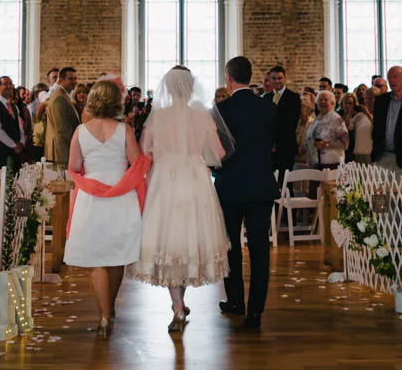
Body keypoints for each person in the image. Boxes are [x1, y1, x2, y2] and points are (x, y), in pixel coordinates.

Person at [129, 66, 231, 332]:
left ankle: (177, 306)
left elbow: (143, 153)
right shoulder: (201, 116)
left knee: (169, 240)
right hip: (195, 180)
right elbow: (219, 154)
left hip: (165, 180)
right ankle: (180, 303)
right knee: (188, 241)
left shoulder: (158, 116)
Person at [65, 80, 147, 339]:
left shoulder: (80, 130)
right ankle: (110, 310)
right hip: (121, 196)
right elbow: (137, 164)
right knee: (116, 256)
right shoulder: (125, 130)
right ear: (117, 101)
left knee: (96, 260)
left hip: (91, 198)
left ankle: (103, 316)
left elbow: (74, 165)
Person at [213, 56, 277, 330]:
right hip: (261, 185)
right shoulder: (268, 108)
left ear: (229, 77)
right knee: (260, 249)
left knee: (230, 247)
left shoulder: (220, 109)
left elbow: (216, 153)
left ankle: (236, 301)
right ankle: (255, 312)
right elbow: (277, 143)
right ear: (251, 77)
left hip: (230, 187)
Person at [263, 65, 302, 185]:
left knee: (285, 182)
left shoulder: (293, 97)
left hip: (285, 147)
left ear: (285, 78)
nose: (277, 81)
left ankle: (285, 204)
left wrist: (276, 141)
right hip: (269, 149)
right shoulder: (266, 97)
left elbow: (290, 123)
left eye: (279, 78)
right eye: (274, 78)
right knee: (270, 182)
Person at [0, 75, 29, 167]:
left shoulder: (14, 106)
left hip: (15, 152)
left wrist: (22, 142)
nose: (9, 86)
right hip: (0, 152)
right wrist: (13, 145)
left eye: (11, 84)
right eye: (5, 84)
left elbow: (20, 127)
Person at [42, 67, 81, 168]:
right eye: (71, 79)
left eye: (75, 79)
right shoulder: (59, 98)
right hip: (60, 151)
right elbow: (63, 129)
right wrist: (79, 143)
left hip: (63, 149)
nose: (74, 82)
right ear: (62, 80)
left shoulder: (64, 96)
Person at [300, 89, 347, 169]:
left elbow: (344, 142)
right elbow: (309, 139)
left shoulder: (336, 119)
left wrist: (326, 145)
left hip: (332, 164)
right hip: (315, 163)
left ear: (332, 103)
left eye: (326, 100)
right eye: (320, 100)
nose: (322, 102)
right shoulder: (317, 119)